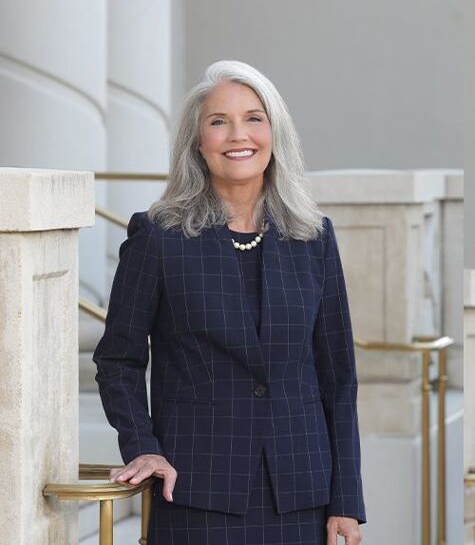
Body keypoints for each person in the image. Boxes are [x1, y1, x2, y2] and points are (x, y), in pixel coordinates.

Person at [93, 60, 366, 545]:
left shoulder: (313, 237)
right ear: (198, 143)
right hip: (196, 489)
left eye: (254, 118)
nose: (238, 134)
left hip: (302, 492)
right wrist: (143, 446)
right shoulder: (158, 237)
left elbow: (338, 378)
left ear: (275, 134)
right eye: (218, 121)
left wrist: (345, 500)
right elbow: (118, 360)